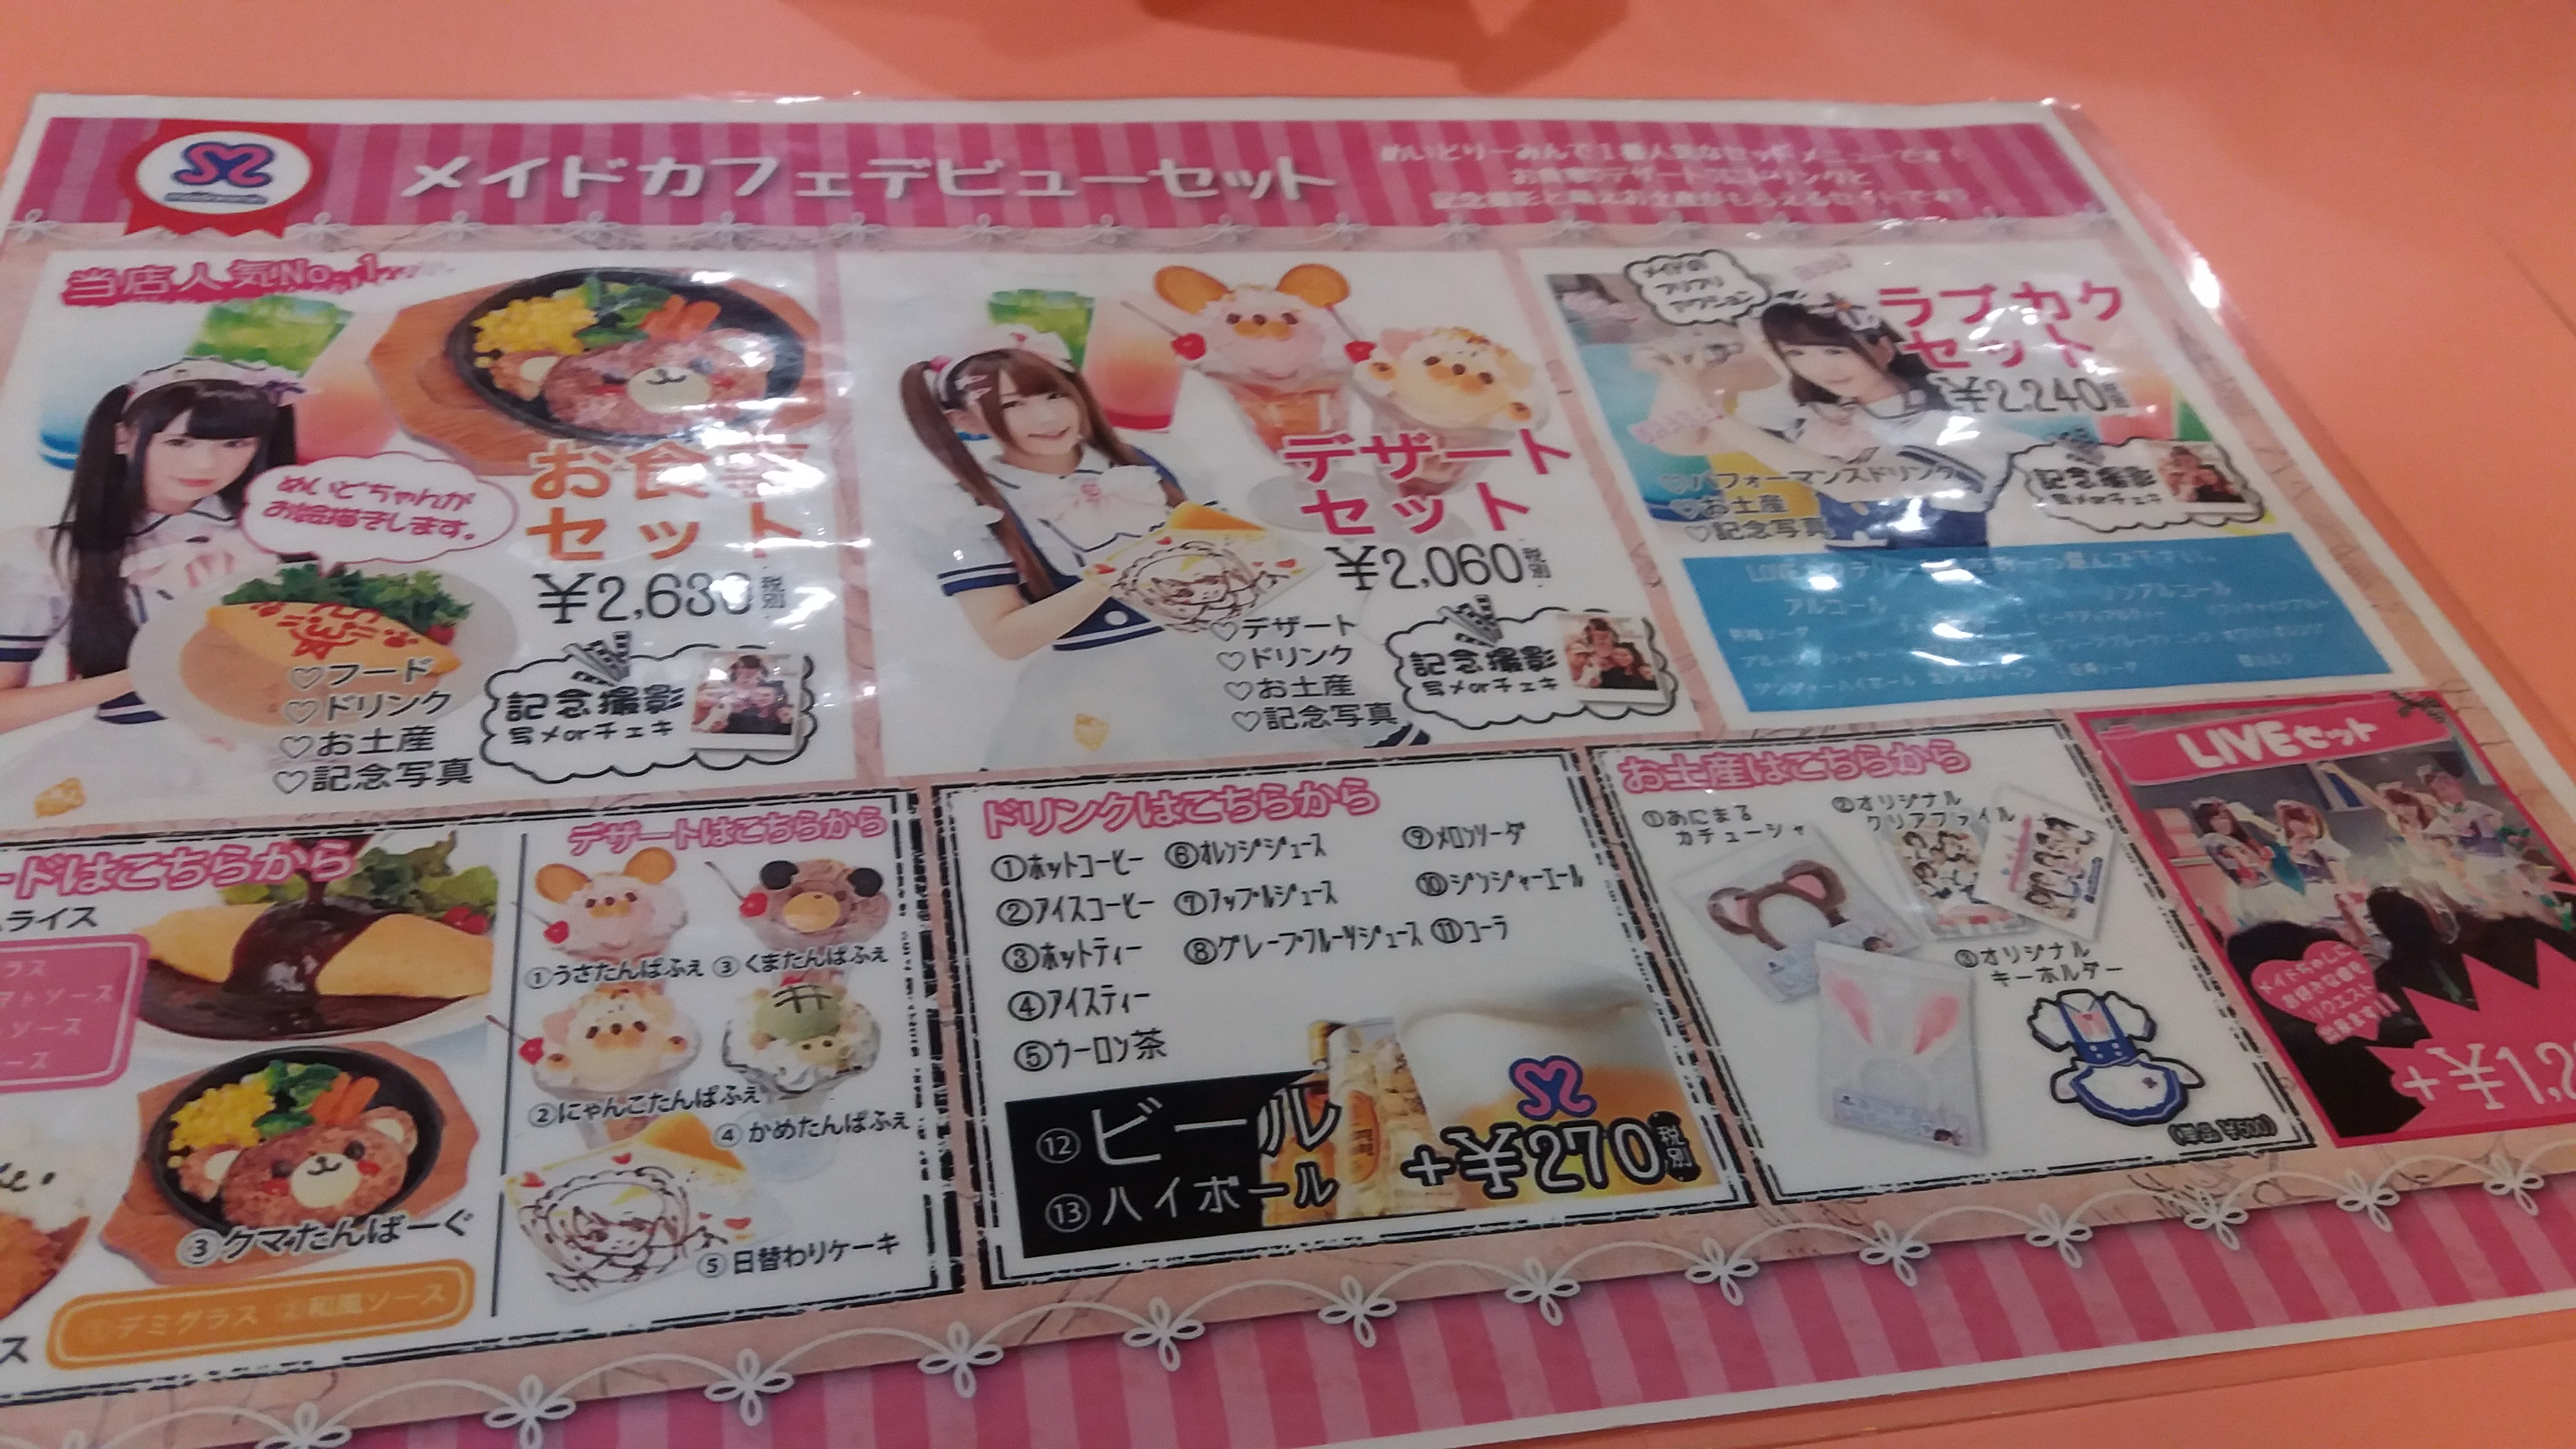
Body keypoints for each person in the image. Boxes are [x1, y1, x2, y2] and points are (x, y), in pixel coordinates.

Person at [899, 328, 1415, 768]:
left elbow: (1232, 558)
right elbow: (1006, 638)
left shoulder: (1154, 460)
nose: (1046, 417)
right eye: (1012, 406)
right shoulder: (967, 510)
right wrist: (1118, 573)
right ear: (966, 422)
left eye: (1053, 394)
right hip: (1106, 683)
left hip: (1232, 657)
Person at [0, 363, 298, 821]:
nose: (204, 464)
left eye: (235, 444)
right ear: (123, 438)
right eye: (178, 442)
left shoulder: (287, 540)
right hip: (130, 768)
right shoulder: (50, 555)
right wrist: (147, 675)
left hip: (282, 759)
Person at [1637, 293, 2026, 549]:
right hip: (1858, 590)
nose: (1818, 368)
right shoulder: (1828, 420)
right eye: (1796, 354)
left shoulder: (1952, 424)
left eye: (1834, 351)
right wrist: (1677, 375)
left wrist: (1714, 414)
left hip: (1954, 588)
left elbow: (1847, 483)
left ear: (1883, 347)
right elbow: (1683, 443)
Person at [1591, 642, 1657, 691]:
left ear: (1634, 656)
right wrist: (1597, 686)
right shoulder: (1608, 674)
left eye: (1624, 655)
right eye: (1616, 655)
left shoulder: (1644, 671)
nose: (1620, 658)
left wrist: (1649, 679)